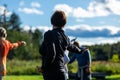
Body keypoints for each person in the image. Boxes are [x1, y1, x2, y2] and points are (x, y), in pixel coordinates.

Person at [39, 10, 83, 80]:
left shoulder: (49, 34)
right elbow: (72, 47)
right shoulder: (65, 37)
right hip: (62, 73)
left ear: (52, 22)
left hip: (51, 74)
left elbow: (51, 53)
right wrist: (80, 50)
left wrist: (44, 68)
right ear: (64, 24)